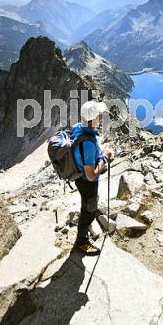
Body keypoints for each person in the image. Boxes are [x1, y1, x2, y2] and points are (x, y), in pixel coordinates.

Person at [71, 100, 113, 256]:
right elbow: (91, 175)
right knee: (88, 209)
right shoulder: (87, 143)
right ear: (94, 118)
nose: (101, 117)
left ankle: (87, 221)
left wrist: (101, 155)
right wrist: (105, 158)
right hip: (86, 182)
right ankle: (81, 241)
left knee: (88, 205)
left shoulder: (78, 128)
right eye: (99, 115)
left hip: (79, 176)